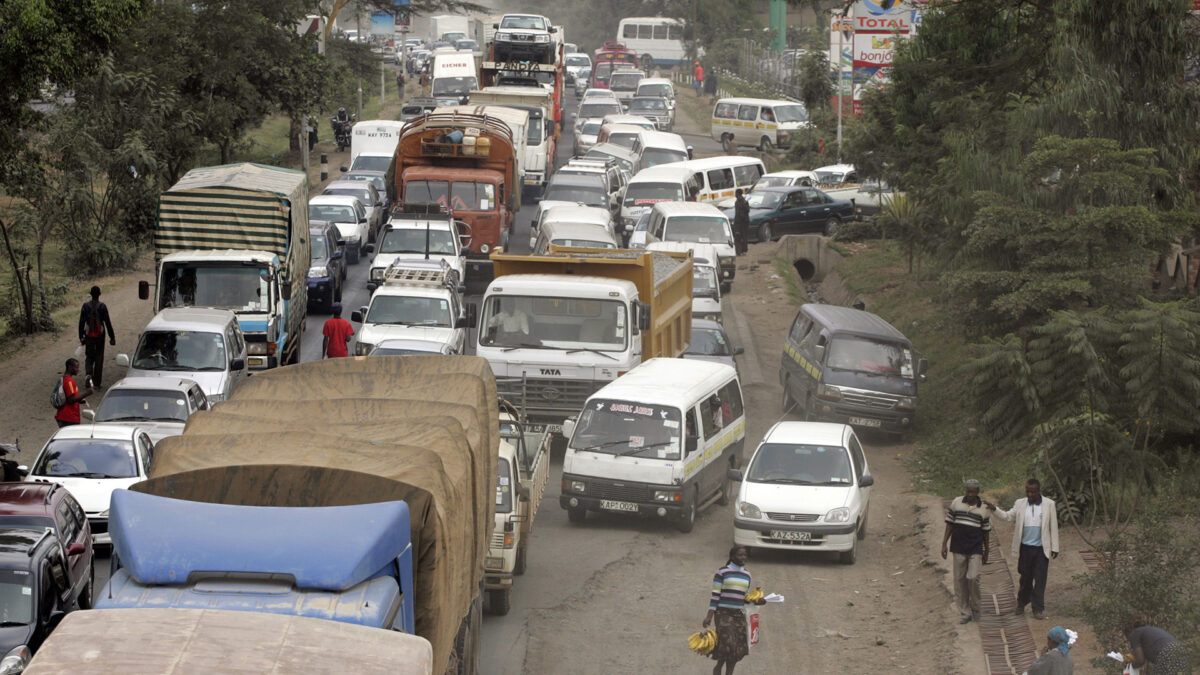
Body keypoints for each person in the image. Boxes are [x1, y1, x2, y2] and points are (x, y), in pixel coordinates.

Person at [987, 478, 1059, 620]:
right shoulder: (1020, 504)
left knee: (1040, 579)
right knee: (1025, 578)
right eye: (1027, 491)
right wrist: (994, 509)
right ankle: (1022, 602)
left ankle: (1038, 609)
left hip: (1041, 549)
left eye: (1033, 492)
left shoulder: (1049, 504)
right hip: (1025, 548)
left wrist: (1054, 546)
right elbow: (1007, 517)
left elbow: (1053, 526)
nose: (1030, 494)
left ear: (1039, 491)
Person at [703, 546, 766, 675]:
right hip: (723, 613)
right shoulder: (722, 572)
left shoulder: (747, 574)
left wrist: (758, 600)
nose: (744, 558)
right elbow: (715, 595)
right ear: (732, 557)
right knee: (728, 644)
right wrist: (709, 616)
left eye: (745, 555)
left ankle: (727, 672)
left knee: (737, 647)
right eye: (740, 555)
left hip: (738, 614)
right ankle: (719, 666)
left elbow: (745, 597)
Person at [942, 478, 992, 624]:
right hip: (958, 546)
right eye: (968, 491)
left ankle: (976, 607)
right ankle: (965, 611)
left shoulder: (984, 508)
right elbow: (949, 524)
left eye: (973, 492)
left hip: (975, 547)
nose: (970, 495)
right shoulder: (957, 502)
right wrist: (944, 544)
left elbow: (985, 532)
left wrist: (986, 550)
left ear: (977, 492)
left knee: (973, 577)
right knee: (960, 580)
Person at [1123, 614, 1192, 674]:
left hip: (1167, 654)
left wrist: (1130, 665)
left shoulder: (1135, 634)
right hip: (1183, 653)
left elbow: (1140, 660)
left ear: (1129, 633)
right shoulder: (1149, 631)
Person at [78, 286, 115, 389]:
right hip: (100, 336)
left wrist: (81, 336)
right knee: (99, 357)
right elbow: (107, 323)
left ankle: (88, 378)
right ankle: (97, 383)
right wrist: (112, 337)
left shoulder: (85, 306)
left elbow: (81, 322)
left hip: (89, 335)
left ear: (91, 294)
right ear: (99, 294)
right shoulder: (102, 306)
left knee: (89, 356)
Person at [54, 358, 93, 428]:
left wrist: (79, 400)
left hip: (63, 416)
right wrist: (87, 393)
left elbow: (70, 397)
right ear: (70, 367)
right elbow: (71, 400)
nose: (78, 370)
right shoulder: (69, 381)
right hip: (69, 417)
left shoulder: (63, 379)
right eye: (76, 367)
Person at [732, 189, 750, 255]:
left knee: (744, 237)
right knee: (737, 236)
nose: (735, 195)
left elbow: (747, 210)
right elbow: (737, 213)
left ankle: (743, 251)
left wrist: (744, 206)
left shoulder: (744, 201)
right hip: (738, 222)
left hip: (744, 222)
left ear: (739, 194)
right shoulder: (737, 202)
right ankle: (738, 251)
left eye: (736, 193)